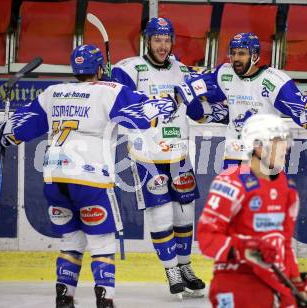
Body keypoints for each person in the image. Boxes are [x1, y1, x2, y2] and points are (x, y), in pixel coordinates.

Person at [0, 44, 180, 308]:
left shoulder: (53, 93)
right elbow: (143, 116)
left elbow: (13, 131)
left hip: (54, 179)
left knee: (71, 240)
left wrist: (2, 132)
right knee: (102, 242)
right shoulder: (111, 91)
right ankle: (105, 299)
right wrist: (171, 102)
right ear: (100, 68)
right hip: (90, 180)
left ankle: (64, 297)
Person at [111, 17, 206, 297]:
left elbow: (197, 114)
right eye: (157, 40)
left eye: (167, 40)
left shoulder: (183, 70)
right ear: (147, 40)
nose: (162, 46)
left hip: (178, 152)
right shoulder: (128, 68)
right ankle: (172, 271)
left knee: (184, 213)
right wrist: (111, 81)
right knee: (162, 213)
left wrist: (192, 96)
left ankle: (186, 267)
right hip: (146, 154)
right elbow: (118, 109)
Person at [196, 114, 307, 308]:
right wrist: (244, 248)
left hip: (274, 281)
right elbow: (207, 237)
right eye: (278, 141)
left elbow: (284, 243)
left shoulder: (287, 187)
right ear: (259, 146)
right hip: (236, 281)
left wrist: (296, 282)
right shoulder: (231, 182)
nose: (286, 147)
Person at [176, 32, 307, 170]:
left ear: (254, 56)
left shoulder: (275, 81)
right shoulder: (225, 74)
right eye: (233, 53)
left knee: (262, 210)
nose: (235, 58)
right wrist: (188, 92)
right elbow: (200, 93)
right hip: (233, 157)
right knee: (233, 210)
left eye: (241, 53)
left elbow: (304, 113)